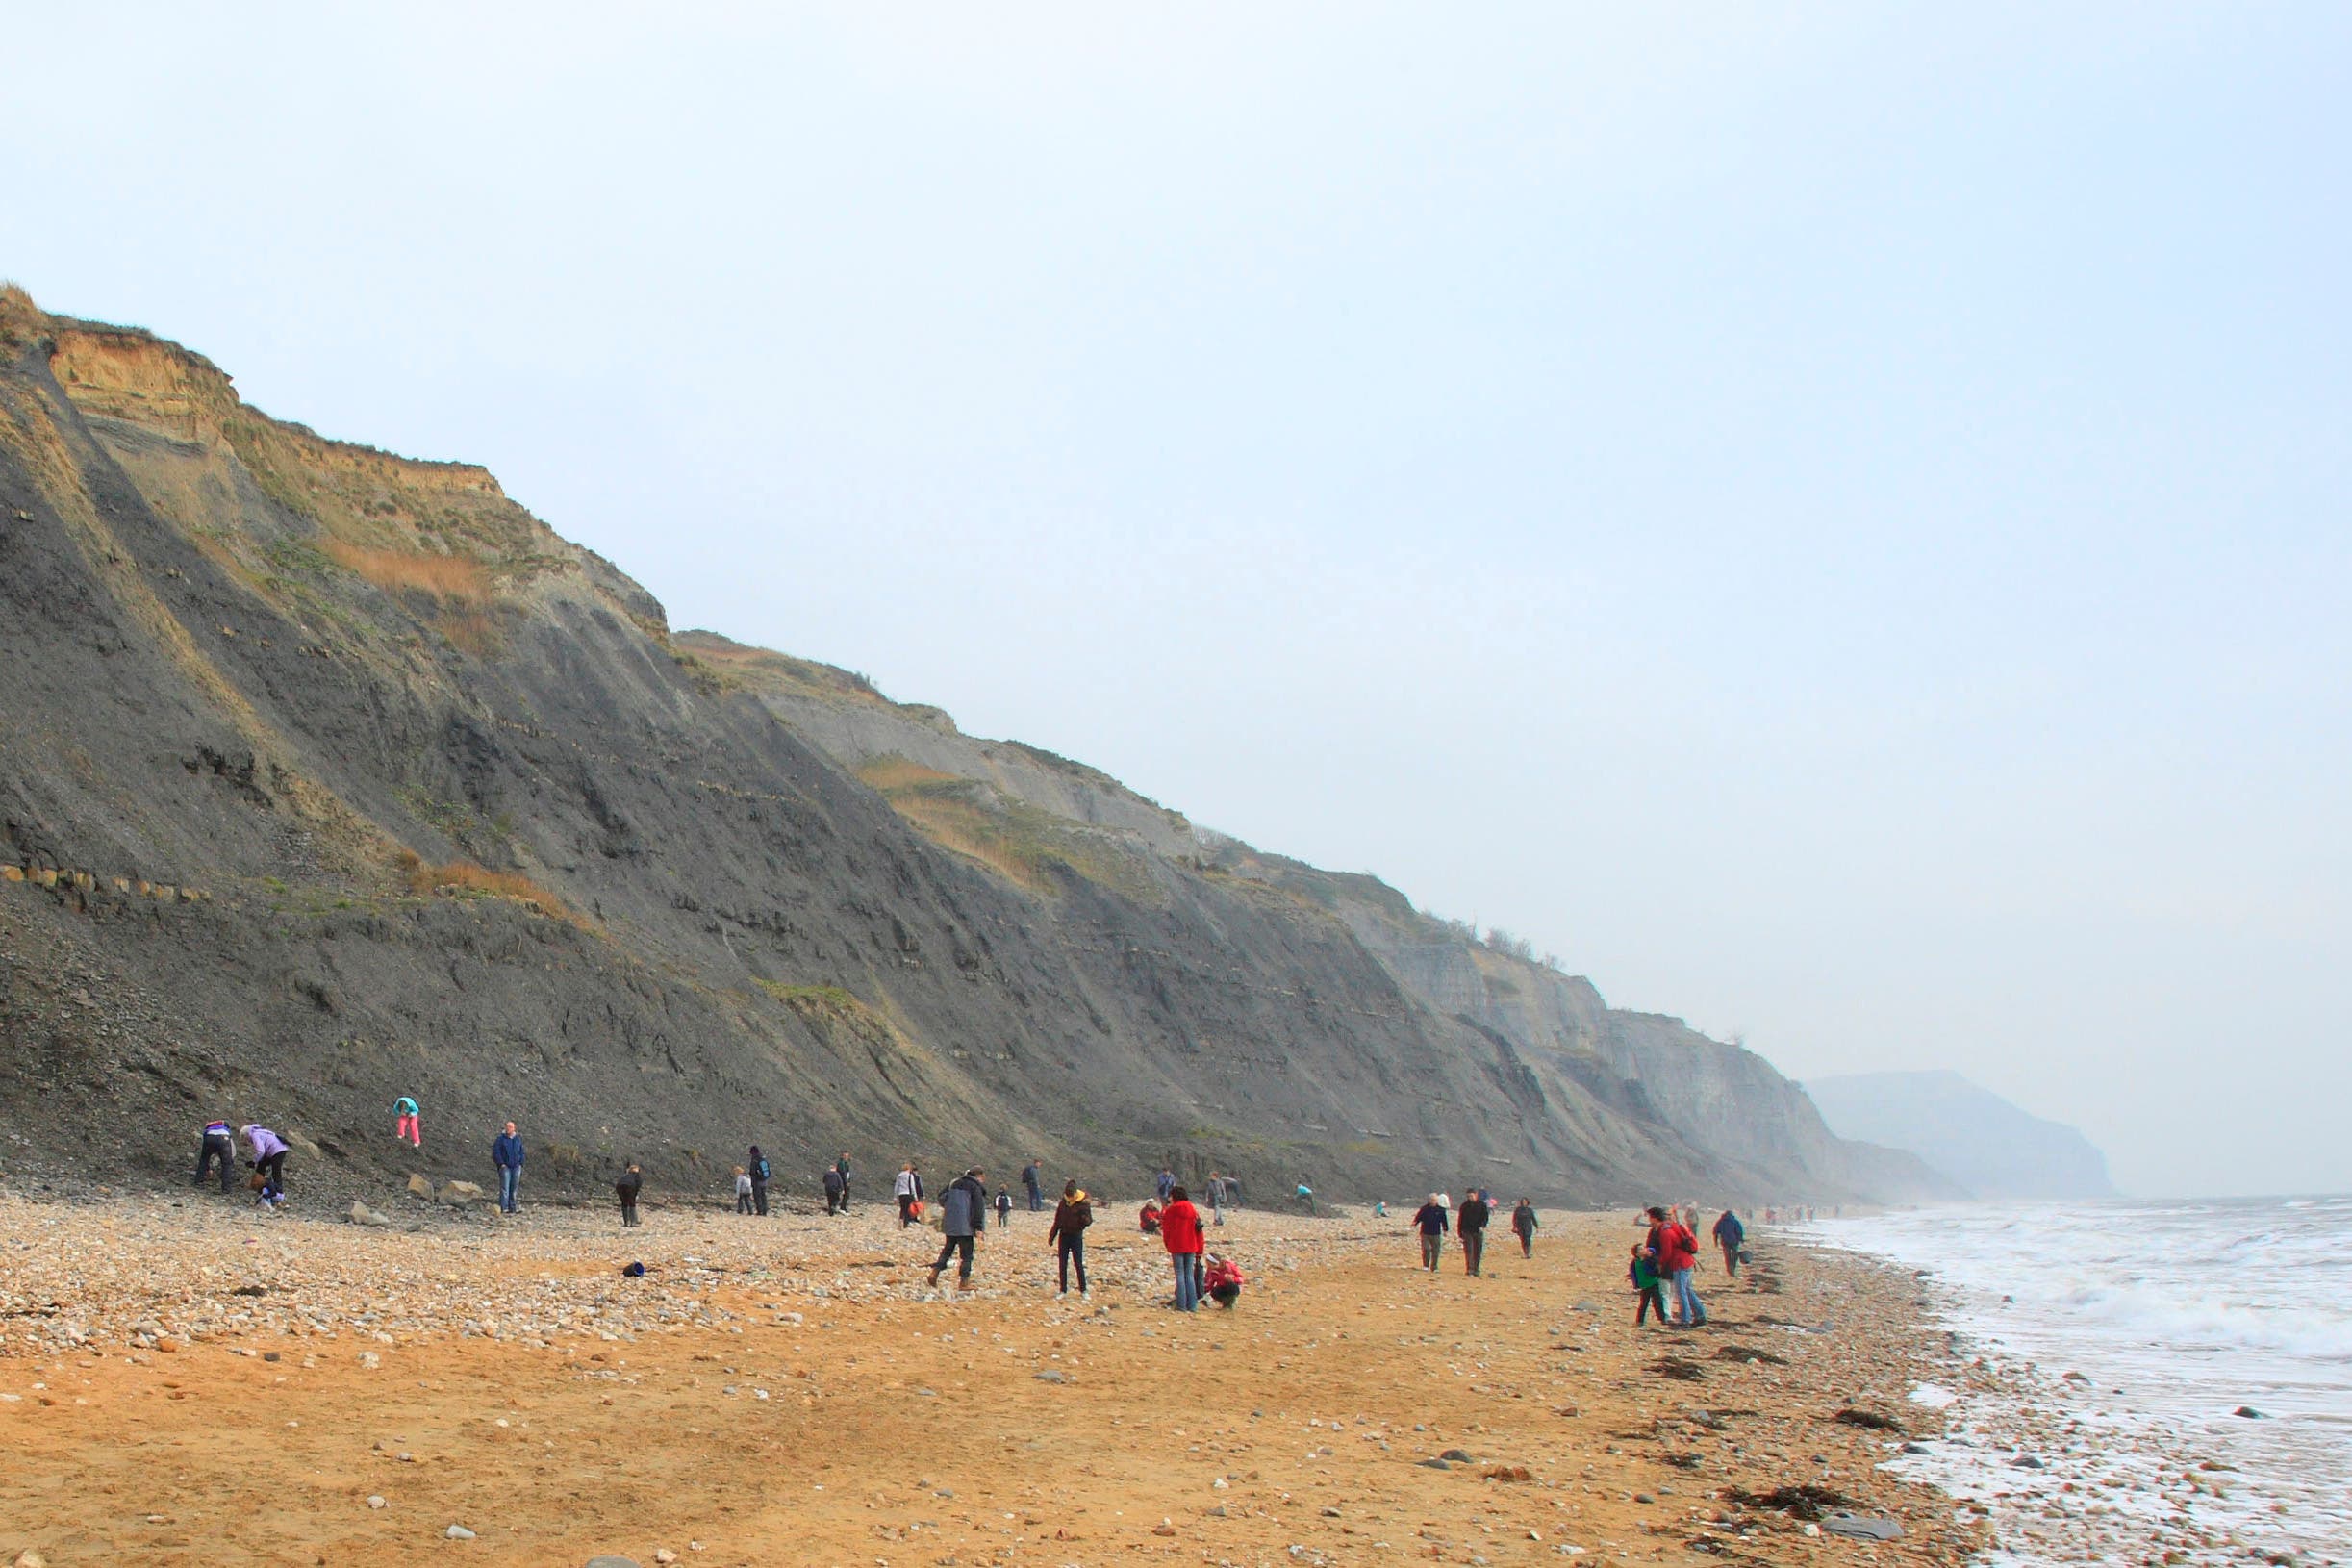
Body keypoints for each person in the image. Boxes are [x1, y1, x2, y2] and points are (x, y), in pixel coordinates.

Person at [928, 1167, 987, 1291]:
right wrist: (978, 1227)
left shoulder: (954, 1183)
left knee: (947, 1250)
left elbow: (941, 1197)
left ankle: (934, 1272)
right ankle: (964, 1283)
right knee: (966, 1255)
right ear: (979, 1176)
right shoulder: (974, 1187)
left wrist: (951, 1207)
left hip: (950, 1223)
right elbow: (978, 1208)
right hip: (965, 1226)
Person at [1647, 1204, 1706, 1327]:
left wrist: (1661, 1264)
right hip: (1687, 1261)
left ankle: (1685, 1319)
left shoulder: (1665, 1232)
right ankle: (1700, 1314)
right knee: (1687, 1290)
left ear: (1655, 1219)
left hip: (1679, 1263)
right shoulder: (1673, 1227)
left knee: (1682, 1291)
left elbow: (1667, 1252)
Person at [1162, 1184, 1206, 1310]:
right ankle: (1192, 1305)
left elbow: (1167, 1230)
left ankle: (1181, 1305)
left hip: (1177, 1246)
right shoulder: (1193, 1210)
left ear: (1174, 1196)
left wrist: (1168, 1244)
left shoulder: (1170, 1211)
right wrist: (1200, 1249)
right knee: (1189, 1275)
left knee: (1180, 1275)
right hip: (1192, 1245)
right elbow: (1199, 1230)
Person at [1048, 1179, 1092, 1295]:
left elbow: (1089, 1221)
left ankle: (1084, 1290)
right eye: (1068, 1197)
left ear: (1075, 1194)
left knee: (1078, 1263)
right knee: (1062, 1264)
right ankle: (1063, 1290)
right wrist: (1052, 1236)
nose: (1070, 1199)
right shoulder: (1063, 1203)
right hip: (1064, 1236)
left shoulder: (1083, 1203)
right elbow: (1057, 1221)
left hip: (1076, 1236)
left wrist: (1083, 1218)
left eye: (1071, 1196)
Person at [240, 1124, 288, 1209]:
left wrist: (253, 1161)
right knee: (261, 1164)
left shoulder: (254, 1135)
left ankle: (278, 1194)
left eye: (244, 1139)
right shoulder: (258, 1131)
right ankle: (259, 1185)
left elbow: (261, 1151)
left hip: (277, 1150)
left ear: (246, 1135)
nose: (246, 1142)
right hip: (277, 1148)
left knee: (276, 1171)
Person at [194, 1118, 236, 1193]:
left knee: (204, 1159)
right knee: (226, 1164)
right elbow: (232, 1150)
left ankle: (198, 1181)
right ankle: (226, 1188)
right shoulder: (226, 1130)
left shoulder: (208, 1129)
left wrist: (207, 1168)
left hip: (209, 1138)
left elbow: (204, 1154)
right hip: (224, 1138)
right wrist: (230, 1159)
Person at [1630, 1242, 1667, 1326]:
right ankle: (1640, 1321)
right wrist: (1636, 1285)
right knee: (1644, 1303)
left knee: (1658, 1301)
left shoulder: (1649, 1258)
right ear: (1636, 1253)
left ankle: (1663, 1318)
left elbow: (1654, 1256)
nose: (1643, 1250)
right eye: (1640, 1249)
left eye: (1644, 1248)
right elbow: (1633, 1273)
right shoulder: (1635, 1262)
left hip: (1653, 1283)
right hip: (1644, 1285)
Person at [492, 1121, 525, 1213]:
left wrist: (521, 1163)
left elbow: (521, 1151)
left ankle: (512, 1207)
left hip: (516, 1167)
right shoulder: (500, 1139)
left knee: (514, 1188)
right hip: (505, 1167)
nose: (508, 1129)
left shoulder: (517, 1139)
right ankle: (504, 1207)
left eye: (510, 1127)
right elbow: (496, 1152)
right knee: (505, 1188)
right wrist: (501, 1163)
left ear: (514, 1128)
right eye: (507, 1127)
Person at [1411, 1194, 1450, 1271]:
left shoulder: (1441, 1210)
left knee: (1436, 1250)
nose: (1433, 1202)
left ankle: (1434, 1267)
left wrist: (1445, 1230)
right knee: (1426, 1249)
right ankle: (1426, 1266)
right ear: (1429, 1200)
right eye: (1432, 1200)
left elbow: (1444, 1221)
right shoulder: (1424, 1209)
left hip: (1436, 1233)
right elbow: (1419, 1217)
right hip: (1425, 1232)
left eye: (1435, 1200)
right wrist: (1414, 1223)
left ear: (1437, 1201)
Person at [1457, 1189, 1491, 1276]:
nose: (1470, 1197)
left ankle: (1476, 1269)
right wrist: (1460, 1232)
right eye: (1468, 1196)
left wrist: (1482, 1226)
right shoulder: (1464, 1206)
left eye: (1471, 1196)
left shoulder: (1482, 1205)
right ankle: (1469, 1269)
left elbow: (1485, 1217)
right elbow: (1460, 1219)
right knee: (1468, 1250)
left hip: (1478, 1231)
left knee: (1477, 1250)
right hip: (1467, 1231)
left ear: (1476, 1195)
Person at [1711, 1209, 1745, 1277]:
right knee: (1735, 1256)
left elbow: (1715, 1232)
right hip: (1734, 1242)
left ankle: (1729, 1269)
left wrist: (1716, 1242)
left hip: (1725, 1242)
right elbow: (1739, 1231)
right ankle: (1733, 1268)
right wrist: (1741, 1239)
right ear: (1732, 1214)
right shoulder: (1735, 1221)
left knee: (1727, 1256)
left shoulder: (1720, 1221)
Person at [895, 1162, 925, 1227]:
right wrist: (915, 1196)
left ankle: (900, 1222)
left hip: (901, 1194)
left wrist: (895, 1197)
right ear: (909, 1168)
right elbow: (912, 1186)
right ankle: (906, 1223)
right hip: (908, 1193)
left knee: (903, 1209)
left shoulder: (899, 1175)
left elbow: (896, 1186)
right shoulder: (910, 1175)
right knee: (910, 1208)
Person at [616, 1161, 643, 1227]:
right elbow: (638, 1185)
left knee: (624, 1203)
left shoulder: (626, 1175)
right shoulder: (637, 1176)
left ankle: (626, 1222)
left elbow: (619, 1181)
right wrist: (635, 1194)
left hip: (619, 1186)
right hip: (630, 1186)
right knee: (632, 1204)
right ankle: (633, 1222)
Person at [748, 1147, 771, 1216]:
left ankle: (760, 1211)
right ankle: (765, 1211)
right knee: (763, 1196)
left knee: (757, 1196)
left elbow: (753, 1171)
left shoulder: (755, 1159)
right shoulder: (763, 1158)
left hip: (757, 1181)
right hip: (764, 1181)